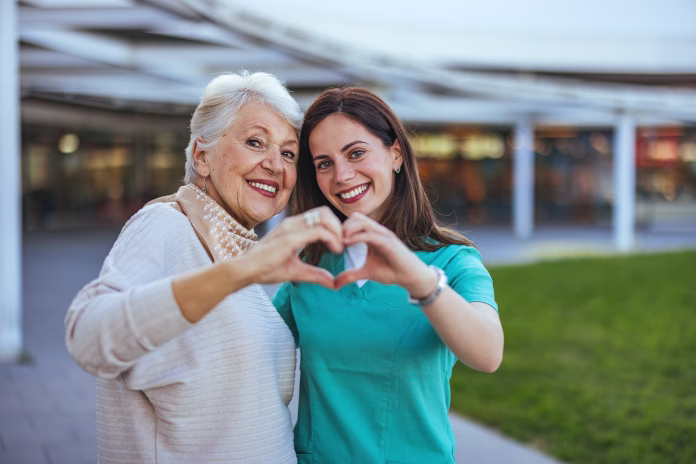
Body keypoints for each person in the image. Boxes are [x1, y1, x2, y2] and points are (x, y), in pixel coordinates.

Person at [65, 71, 345, 463]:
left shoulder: (233, 252)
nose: (275, 165)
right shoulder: (167, 224)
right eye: (255, 142)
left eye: (288, 153)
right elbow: (88, 337)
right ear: (202, 156)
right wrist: (240, 273)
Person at [273, 87, 504, 463]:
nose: (343, 175)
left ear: (395, 152)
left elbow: (489, 353)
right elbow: (250, 347)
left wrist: (419, 280)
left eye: (356, 153)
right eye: (324, 163)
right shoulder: (309, 263)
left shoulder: (452, 261)